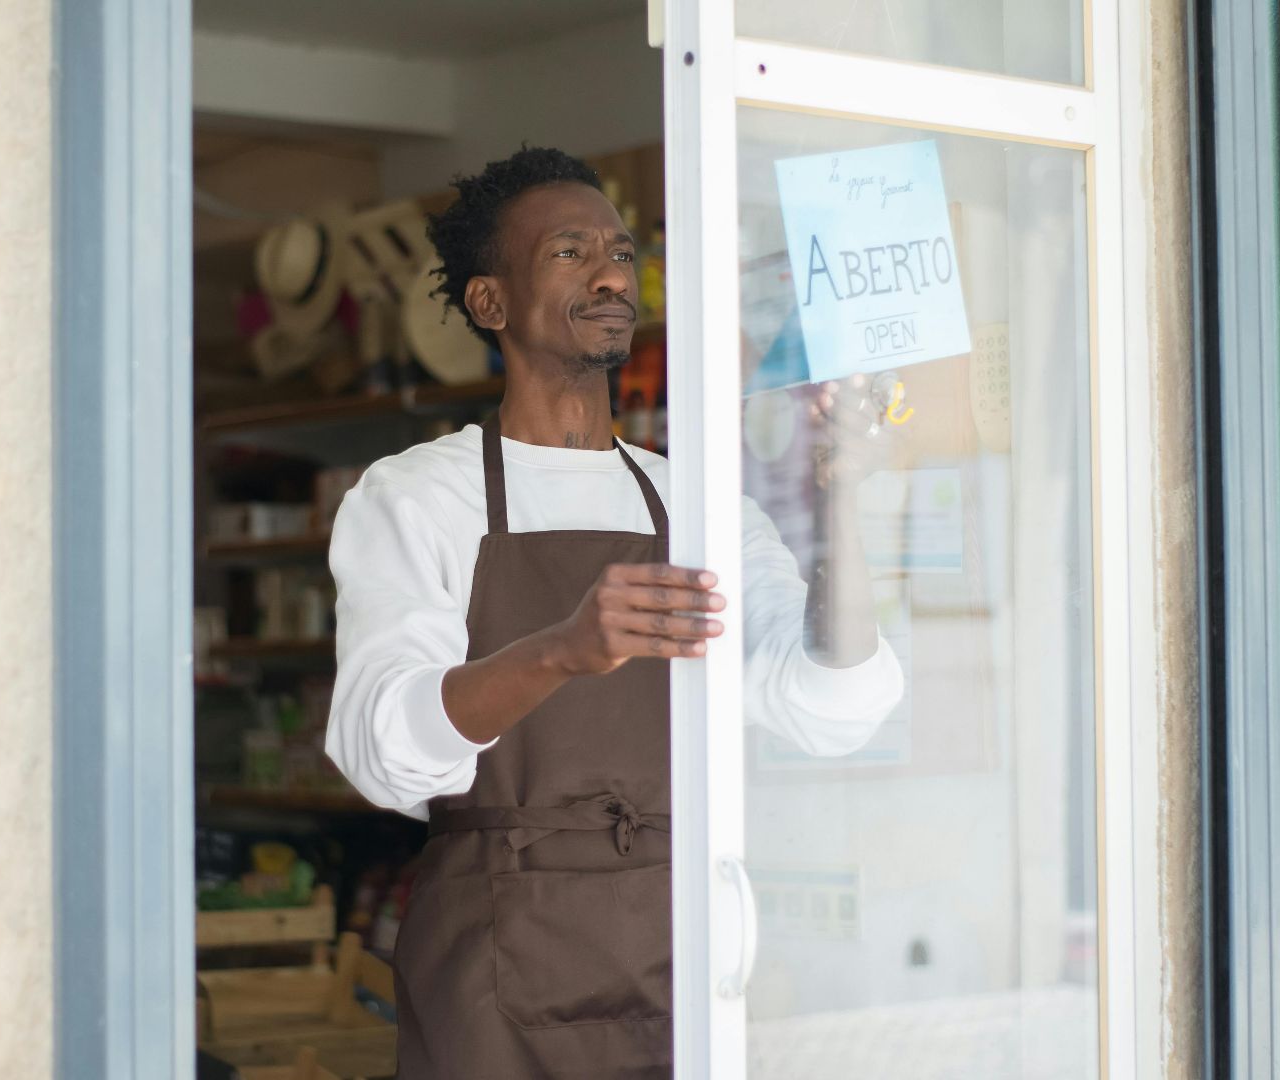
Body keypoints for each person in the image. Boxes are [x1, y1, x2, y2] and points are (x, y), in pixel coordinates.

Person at [324, 147, 903, 1078]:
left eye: (622, 254)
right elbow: (383, 751)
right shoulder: (417, 497)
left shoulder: (699, 509)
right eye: (568, 252)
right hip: (494, 963)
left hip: (678, 949)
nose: (608, 275)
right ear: (490, 302)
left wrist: (843, 506)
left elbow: (828, 704)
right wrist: (560, 650)